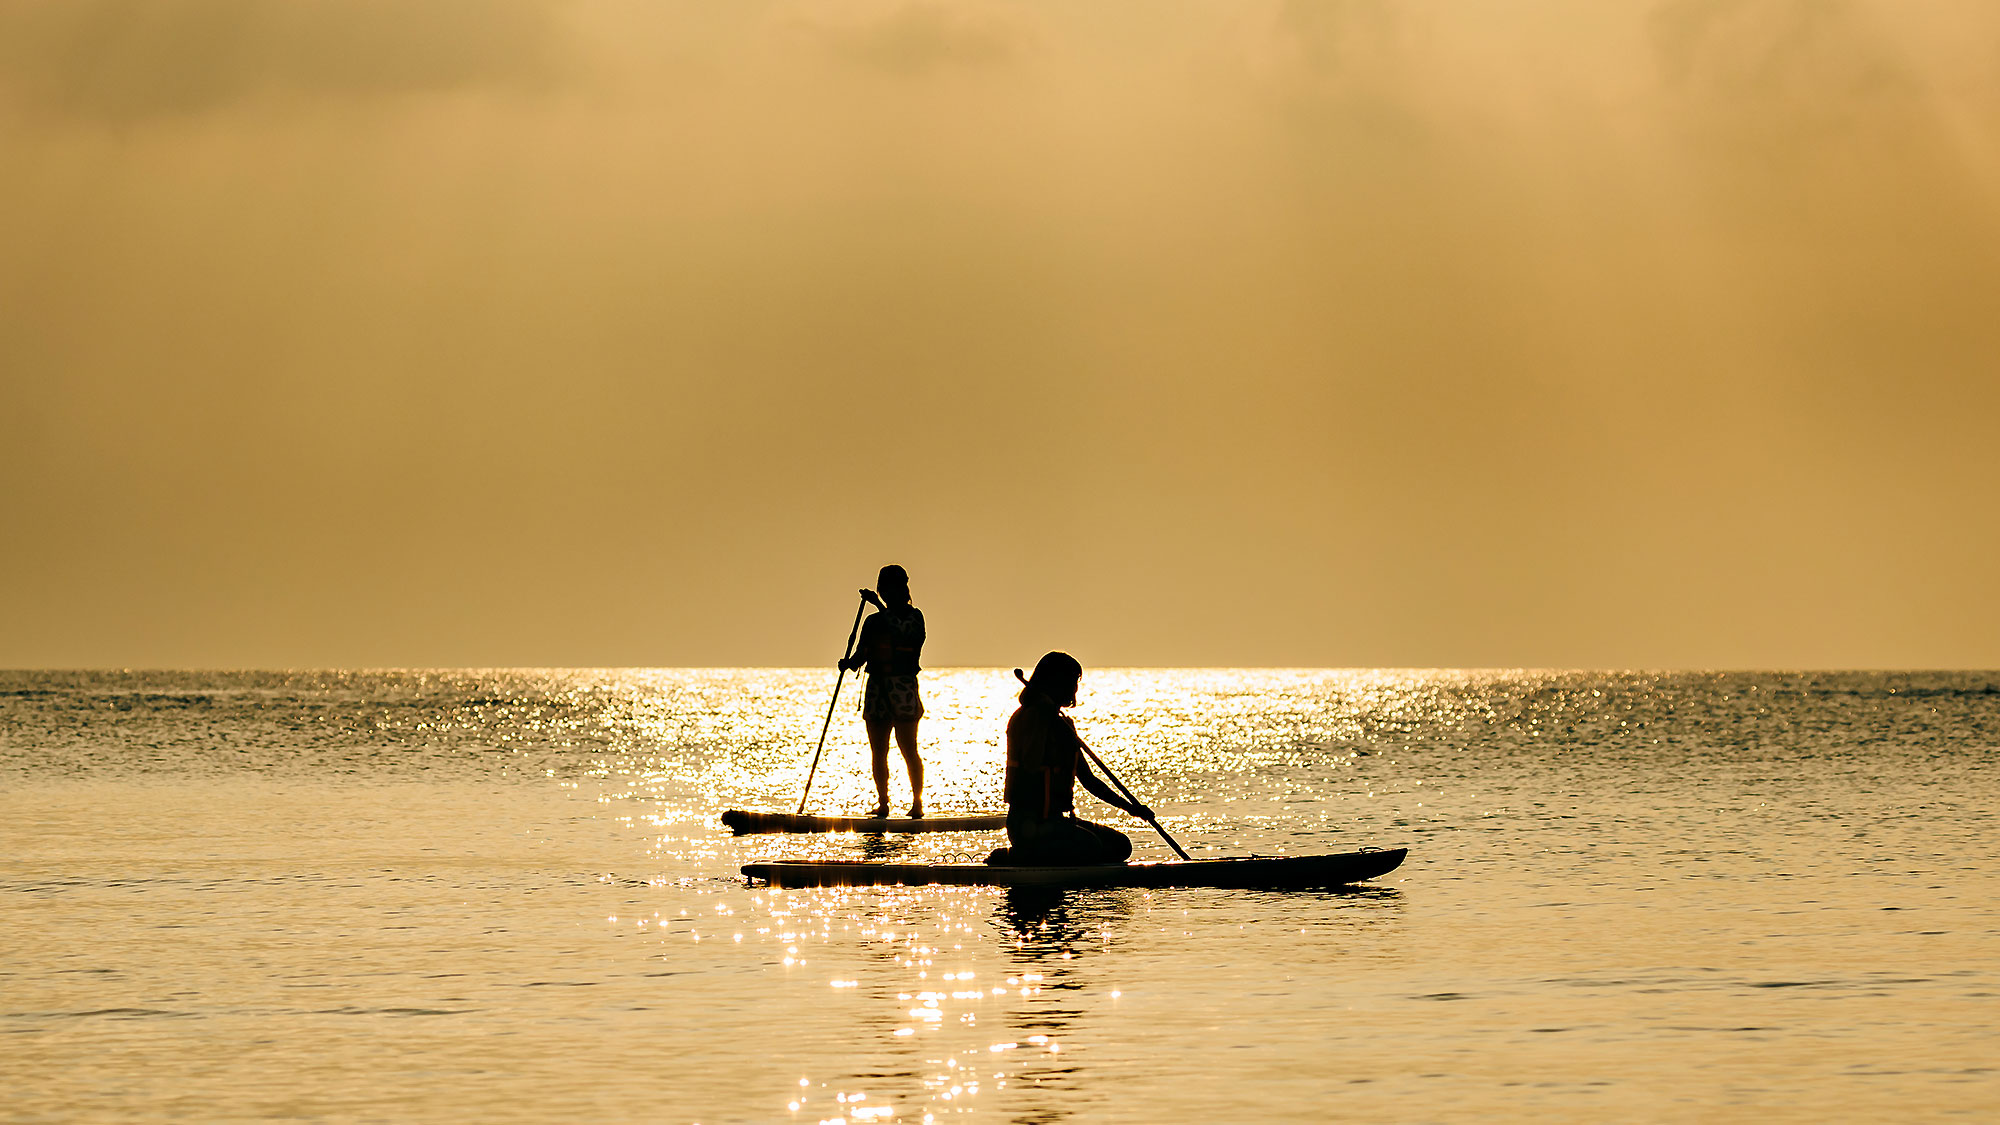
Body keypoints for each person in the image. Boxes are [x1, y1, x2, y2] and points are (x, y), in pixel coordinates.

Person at [992, 651, 1152, 866]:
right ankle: (1014, 855)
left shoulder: (1064, 725)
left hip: (1056, 822)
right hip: (1028, 825)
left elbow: (1089, 780)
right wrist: (1045, 721)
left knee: (1121, 845)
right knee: (1090, 847)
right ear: (1056, 682)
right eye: (1071, 681)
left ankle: (1057, 855)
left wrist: (1132, 808)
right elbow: (1030, 765)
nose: (1075, 688)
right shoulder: (1029, 717)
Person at [838, 565, 926, 818]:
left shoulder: (914, 617)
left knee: (908, 747)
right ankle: (883, 802)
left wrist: (878, 606)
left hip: (903, 691)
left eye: (893, 587)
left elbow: (902, 632)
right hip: (877, 693)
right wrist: (849, 664)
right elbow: (863, 653)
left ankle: (917, 804)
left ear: (903, 588)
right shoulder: (873, 621)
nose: (888, 592)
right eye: (884, 588)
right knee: (878, 750)